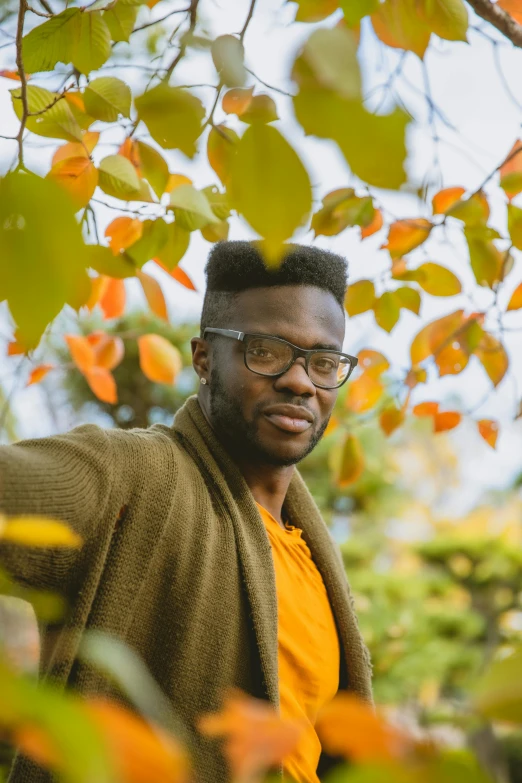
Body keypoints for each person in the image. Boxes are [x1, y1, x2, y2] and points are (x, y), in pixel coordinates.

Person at [0, 241, 372, 783]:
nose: (300, 382)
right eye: (265, 351)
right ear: (203, 358)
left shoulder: (314, 556)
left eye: (323, 361)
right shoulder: (137, 473)